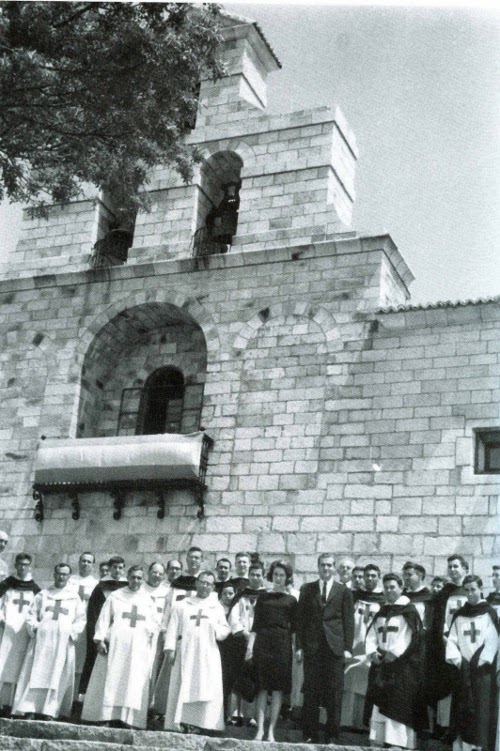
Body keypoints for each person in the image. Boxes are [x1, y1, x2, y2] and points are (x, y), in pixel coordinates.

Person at [81, 565, 159, 729]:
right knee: (111, 680)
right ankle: (106, 717)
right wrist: (100, 639)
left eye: (139, 578)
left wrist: (149, 632)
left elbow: (154, 623)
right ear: (128, 578)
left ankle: (129, 719)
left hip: (137, 648)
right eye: (133, 577)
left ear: (142, 579)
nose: (136, 581)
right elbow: (103, 618)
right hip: (115, 646)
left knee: (132, 682)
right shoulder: (116, 596)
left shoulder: (147, 600)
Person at [12, 563, 86, 720]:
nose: (61, 577)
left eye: (65, 574)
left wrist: (71, 633)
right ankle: (29, 708)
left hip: (62, 643)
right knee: (36, 673)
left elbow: (80, 620)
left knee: (57, 675)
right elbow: (31, 615)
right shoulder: (43, 594)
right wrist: (36, 627)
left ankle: (50, 711)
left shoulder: (74, 598)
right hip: (42, 642)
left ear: (69, 577)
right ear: (54, 574)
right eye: (59, 573)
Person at [297, 553, 354, 744]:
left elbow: (348, 621)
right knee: (311, 691)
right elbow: (301, 621)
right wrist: (299, 646)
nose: (326, 568)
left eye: (330, 565)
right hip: (313, 648)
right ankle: (310, 733)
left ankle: (332, 735)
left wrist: (347, 648)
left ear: (334, 567)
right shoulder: (307, 589)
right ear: (318, 567)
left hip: (334, 648)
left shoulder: (343, 591)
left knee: (334, 692)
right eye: (323, 565)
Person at [163, 570, 230, 733]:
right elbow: (172, 627)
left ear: (213, 587)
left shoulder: (216, 607)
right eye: (202, 582)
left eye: (208, 583)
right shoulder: (183, 604)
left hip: (208, 652)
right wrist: (170, 649)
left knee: (206, 686)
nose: (205, 586)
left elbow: (225, 628)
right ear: (196, 583)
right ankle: (181, 722)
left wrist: (216, 631)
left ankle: (204, 723)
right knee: (183, 685)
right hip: (185, 651)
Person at [365, 573, 426, 750]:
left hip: (401, 667)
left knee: (397, 705)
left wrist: (394, 653)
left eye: (393, 587)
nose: (389, 591)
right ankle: (377, 740)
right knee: (379, 704)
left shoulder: (409, 611)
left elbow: (410, 636)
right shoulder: (382, 612)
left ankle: (397, 744)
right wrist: (372, 652)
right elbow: (371, 635)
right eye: (386, 587)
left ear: (401, 588)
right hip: (381, 664)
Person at [245, 560, 298, 742]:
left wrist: (296, 650)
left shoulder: (292, 600)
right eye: (276, 574)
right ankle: (259, 730)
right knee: (262, 687)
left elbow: (295, 629)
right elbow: (255, 625)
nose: (278, 578)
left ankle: (271, 732)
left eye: (282, 575)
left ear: (287, 577)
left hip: (282, 646)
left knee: (277, 690)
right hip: (263, 644)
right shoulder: (263, 598)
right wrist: (250, 647)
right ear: (271, 576)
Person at [446, 574, 498, 751]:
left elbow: (493, 640)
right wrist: (459, 660)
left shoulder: (489, 613)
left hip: (482, 672)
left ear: (481, 589)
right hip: (463, 669)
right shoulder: (460, 615)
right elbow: (452, 639)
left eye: (473, 589)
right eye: (466, 590)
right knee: (461, 709)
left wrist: (479, 661)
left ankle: (478, 747)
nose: (469, 594)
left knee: (480, 710)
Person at [428, 555, 469, 737]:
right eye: (450, 567)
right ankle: (444, 726)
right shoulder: (445, 592)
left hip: (466, 643)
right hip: (446, 644)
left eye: (456, 567)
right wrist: (446, 638)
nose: (452, 570)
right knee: (446, 684)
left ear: (465, 569)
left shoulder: (471, 589)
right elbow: (439, 619)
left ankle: (462, 726)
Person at [341, 563, 385, 731]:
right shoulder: (353, 595)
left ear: (378, 577)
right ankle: (346, 721)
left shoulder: (383, 598)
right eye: (367, 575)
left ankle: (364, 723)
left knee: (367, 683)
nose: (370, 579)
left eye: (374, 576)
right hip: (354, 643)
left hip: (372, 647)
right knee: (349, 682)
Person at [79, 555, 127, 695]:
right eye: (114, 567)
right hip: (102, 633)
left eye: (120, 568)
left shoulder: (127, 587)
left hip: (119, 633)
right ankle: (87, 699)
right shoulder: (100, 587)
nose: (117, 571)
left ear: (124, 570)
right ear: (109, 569)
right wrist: (97, 636)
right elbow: (93, 613)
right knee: (96, 664)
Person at [0, 554, 41, 715]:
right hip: (5, 631)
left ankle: (13, 705)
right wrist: (2, 620)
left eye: (26, 565)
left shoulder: (35, 589)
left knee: (19, 667)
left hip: (24, 633)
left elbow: (37, 611)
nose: (23, 568)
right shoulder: (5, 585)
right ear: (15, 566)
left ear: (30, 566)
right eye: (20, 565)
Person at [228, 561, 267, 725]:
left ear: (263, 576)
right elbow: (233, 618)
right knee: (240, 677)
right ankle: (237, 713)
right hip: (242, 641)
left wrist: (257, 637)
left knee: (257, 679)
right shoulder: (241, 596)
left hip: (260, 643)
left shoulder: (267, 596)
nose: (255, 578)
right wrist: (245, 634)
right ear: (248, 576)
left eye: (258, 575)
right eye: (252, 575)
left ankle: (253, 715)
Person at [68, 552, 99, 699]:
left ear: (93, 565)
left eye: (89, 562)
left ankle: (77, 698)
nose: (85, 564)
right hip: (69, 623)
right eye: (83, 561)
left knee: (81, 660)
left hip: (86, 626)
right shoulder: (70, 580)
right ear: (79, 562)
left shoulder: (96, 584)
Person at [402, 561, 432, 628]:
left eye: (409, 575)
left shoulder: (429, 597)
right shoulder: (402, 596)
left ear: (420, 576)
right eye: (404, 575)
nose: (405, 578)